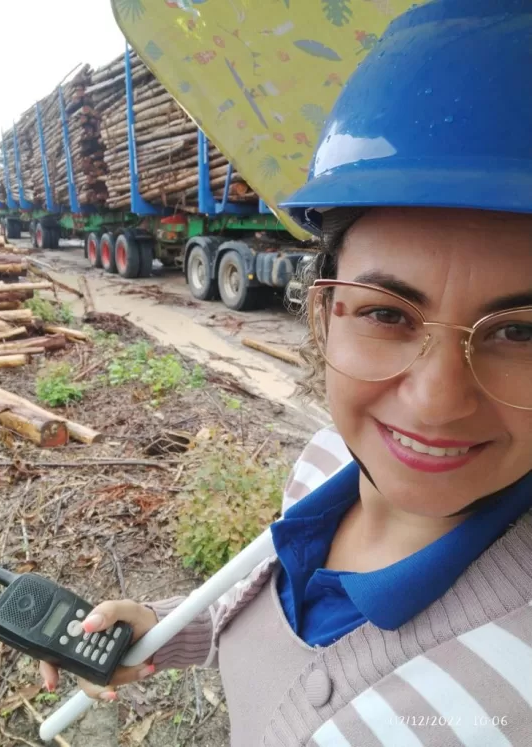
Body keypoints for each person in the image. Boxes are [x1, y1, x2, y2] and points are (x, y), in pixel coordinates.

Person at [41, 1, 532, 744]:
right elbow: (262, 607)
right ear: (321, 315)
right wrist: (160, 631)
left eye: (519, 332)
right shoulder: (324, 463)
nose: (434, 404)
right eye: (386, 313)